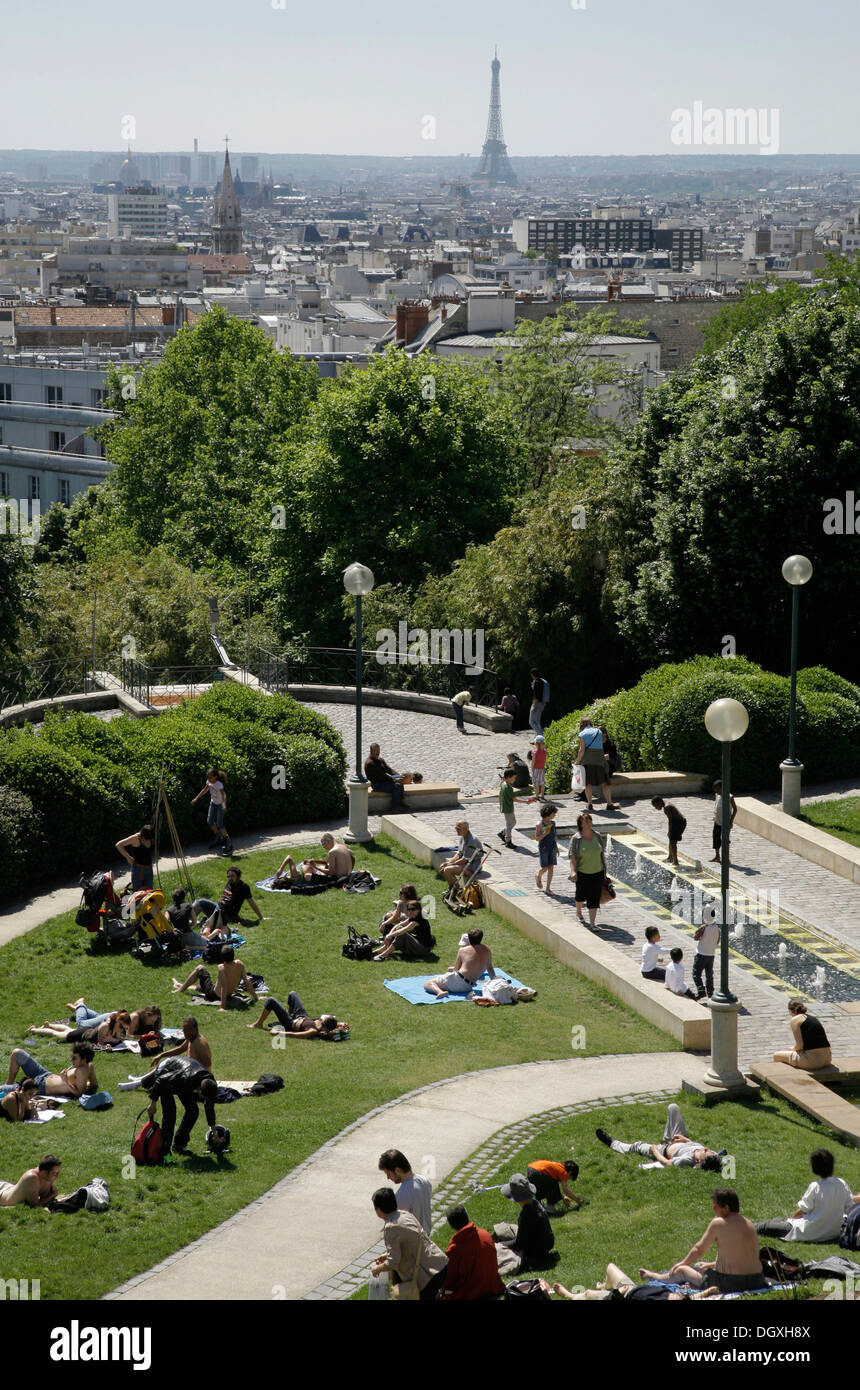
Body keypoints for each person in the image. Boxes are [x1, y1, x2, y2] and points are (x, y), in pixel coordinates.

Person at [640, 1188, 764, 1293]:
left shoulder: (719, 1223)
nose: (713, 1207)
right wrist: (711, 1265)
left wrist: (682, 1263)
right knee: (701, 1267)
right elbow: (737, 1253)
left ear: (726, 1208)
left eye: (715, 1204)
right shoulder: (749, 1223)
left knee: (681, 1270)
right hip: (757, 1280)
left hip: (731, 1283)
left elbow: (699, 1250)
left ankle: (653, 1276)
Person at [754, 1149, 854, 1242]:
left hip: (808, 1232)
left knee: (765, 1227)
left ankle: (743, 1228)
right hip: (832, 1232)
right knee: (777, 1220)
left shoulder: (816, 1187)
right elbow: (850, 1208)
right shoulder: (842, 1184)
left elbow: (802, 1211)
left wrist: (791, 1220)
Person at [596, 1102, 724, 1172]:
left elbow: (667, 1163)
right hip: (680, 1138)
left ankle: (613, 1143)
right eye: (707, 1150)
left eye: (705, 1152)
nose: (706, 1149)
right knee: (673, 1108)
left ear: (699, 1162)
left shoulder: (686, 1160)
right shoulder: (713, 1155)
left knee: (637, 1146)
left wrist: (656, 1152)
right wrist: (686, 1140)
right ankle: (667, 1138)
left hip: (663, 1150)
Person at [370, 1187, 448, 1300]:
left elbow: (393, 1262)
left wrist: (377, 1269)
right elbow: (410, 1244)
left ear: (378, 1209)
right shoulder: (404, 1214)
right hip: (438, 1264)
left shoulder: (391, 1227)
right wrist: (386, 1255)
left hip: (427, 1275)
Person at [140, 1055, 218, 1161]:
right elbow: (160, 1081)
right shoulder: (185, 1078)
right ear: (199, 1090)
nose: (205, 1101)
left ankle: (179, 1145)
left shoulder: (210, 1084)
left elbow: (209, 1108)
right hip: (165, 1071)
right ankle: (165, 1153)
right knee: (170, 1114)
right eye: (204, 1098)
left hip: (183, 1078)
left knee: (193, 1111)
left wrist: (214, 1133)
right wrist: (153, 1103)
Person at [492, 1172, 555, 1273]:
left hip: (534, 1255)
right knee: (504, 1231)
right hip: (544, 1246)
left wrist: (502, 1244)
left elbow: (519, 1244)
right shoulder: (536, 1204)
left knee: (497, 1248)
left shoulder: (526, 1215)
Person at [438, 1206, 504, 1301]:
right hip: (494, 1285)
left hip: (472, 1292)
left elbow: (449, 1280)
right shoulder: (485, 1234)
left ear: (451, 1225)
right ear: (467, 1217)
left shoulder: (455, 1248)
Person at [171, 946, 257, 1012]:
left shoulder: (222, 968)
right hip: (228, 994)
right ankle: (179, 985)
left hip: (213, 994)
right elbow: (246, 981)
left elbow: (224, 988)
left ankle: (181, 989)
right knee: (201, 987)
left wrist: (222, 1007)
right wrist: (255, 997)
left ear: (222, 958)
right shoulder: (239, 964)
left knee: (200, 968)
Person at [6, 1044, 99, 1099]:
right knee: (17, 1053)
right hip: (44, 1074)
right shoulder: (88, 1065)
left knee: (3, 1090)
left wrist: (66, 1082)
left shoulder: (82, 1071)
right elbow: (94, 1084)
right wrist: (84, 1083)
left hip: (40, 1086)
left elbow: (80, 1094)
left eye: (74, 1058)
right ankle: (8, 1084)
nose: (71, 1060)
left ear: (84, 1059)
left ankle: (7, 1089)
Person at [194, 867, 266, 936]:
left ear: (239, 876)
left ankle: (206, 923)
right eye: (228, 876)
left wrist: (261, 917)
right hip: (218, 907)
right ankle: (186, 920)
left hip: (226, 915)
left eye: (232, 876)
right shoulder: (229, 882)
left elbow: (251, 902)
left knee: (209, 927)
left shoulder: (244, 887)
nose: (230, 878)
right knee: (199, 902)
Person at [424, 926, 494, 997]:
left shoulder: (463, 950)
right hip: (468, 987)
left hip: (458, 982)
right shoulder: (487, 949)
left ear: (469, 938)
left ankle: (440, 992)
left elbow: (456, 969)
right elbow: (490, 968)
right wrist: (494, 982)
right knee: (446, 976)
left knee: (428, 983)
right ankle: (443, 986)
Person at [568, 812, 608, 929]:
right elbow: (572, 856)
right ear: (581, 823)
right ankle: (579, 912)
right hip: (582, 873)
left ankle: (592, 923)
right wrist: (573, 871)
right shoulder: (576, 839)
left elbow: (602, 853)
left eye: (590, 820)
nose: (589, 823)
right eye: (587, 821)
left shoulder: (597, 836)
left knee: (594, 897)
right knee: (581, 896)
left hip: (598, 872)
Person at [378, 1149, 433, 1234]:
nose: (388, 1178)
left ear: (397, 1170)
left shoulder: (402, 1194)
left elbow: (398, 1226)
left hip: (413, 1242)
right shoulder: (425, 1181)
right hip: (427, 1237)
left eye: (388, 1174)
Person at [247, 992, 347, 1038]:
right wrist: (341, 1024)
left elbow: (295, 1034)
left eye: (321, 1019)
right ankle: (287, 1014)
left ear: (323, 1024)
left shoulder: (312, 1031)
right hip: (302, 1016)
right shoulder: (322, 1024)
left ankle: (258, 1024)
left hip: (290, 1024)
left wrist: (278, 1033)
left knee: (271, 1001)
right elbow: (332, 1024)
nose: (320, 1019)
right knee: (292, 994)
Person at [773, 998, 832, 1070]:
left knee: (776, 1055)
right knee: (791, 1053)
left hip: (813, 1061)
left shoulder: (795, 1020)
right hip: (827, 1058)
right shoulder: (812, 1018)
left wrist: (793, 1049)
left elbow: (799, 1046)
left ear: (791, 1010)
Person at [272, 835, 354, 887]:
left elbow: (331, 871)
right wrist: (315, 866)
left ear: (329, 840)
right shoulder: (344, 847)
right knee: (313, 873)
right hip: (343, 875)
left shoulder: (332, 851)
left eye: (323, 844)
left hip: (336, 876)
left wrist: (315, 867)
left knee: (312, 874)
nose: (324, 847)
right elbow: (352, 859)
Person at [576, 719, 620, 811]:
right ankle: (609, 803)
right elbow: (601, 745)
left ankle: (590, 804)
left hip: (587, 761)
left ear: (582, 725)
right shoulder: (598, 732)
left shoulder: (582, 734)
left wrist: (578, 761)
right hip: (600, 761)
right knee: (605, 783)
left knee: (588, 784)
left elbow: (582, 749)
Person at [26, 1011, 131, 1048]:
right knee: (56, 1035)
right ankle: (33, 1030)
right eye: (122, 1027)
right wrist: (110, 1044)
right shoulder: (105, 1026)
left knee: (69, 1029)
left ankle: (49, 1025)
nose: (122, 1031)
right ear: (117, 1021)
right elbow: (100, 1045)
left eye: (124, 1029)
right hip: (82, 1035)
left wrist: (115, 1039)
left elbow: (116, 1039)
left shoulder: (116, 1028)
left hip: (87, 1030)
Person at [191, 767, 232, 855]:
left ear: (215, 777)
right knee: (209, 821)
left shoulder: (219, 784)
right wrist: (196, 798)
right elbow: (204, 790)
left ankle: (227, 841)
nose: (208, 779)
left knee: (220, 824)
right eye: (208, 778)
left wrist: (224, 805)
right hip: (213, 803)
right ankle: (219, 838)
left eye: (210, 778)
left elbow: (223, 795)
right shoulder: (209, 782)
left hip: (220, 804)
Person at [439, 821, 484, 888]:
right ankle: (452, 888)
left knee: (447, 870)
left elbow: (465, 859)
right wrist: (448, 862)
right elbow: (459, 854)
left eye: (458, 829)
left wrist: (450, 864)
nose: (457, 830)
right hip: (465, 864)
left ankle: (456, 890)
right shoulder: (463, 837)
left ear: (466, 829)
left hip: (472, 866)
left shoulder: (472, 841)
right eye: (456, 828)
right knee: (443, 866)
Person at [363, 744, 407, 810]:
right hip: (377, 785)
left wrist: (399, 775)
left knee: (400, 783)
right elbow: (382, 776)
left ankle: (400, 802)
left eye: (378, 750)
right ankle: (395, 807)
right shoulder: (370, 763)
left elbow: (389, 769)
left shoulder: (380, 759)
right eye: (375, 751)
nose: (377, 752)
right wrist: (395, 779)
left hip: (384, 782)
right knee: (397, 786)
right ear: (371, 751)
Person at [692, 906, 720, 1001]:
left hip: (701, 954)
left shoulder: (704, 927)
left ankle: (701, 990)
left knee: (696, 973)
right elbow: (717, 941)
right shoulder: (717, 928)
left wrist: (698, 933)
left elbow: (695, 937)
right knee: (709, 974)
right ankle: (710, 991)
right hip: (711, 955)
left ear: (704, 917)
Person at [116, 824, 154, 891]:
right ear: (142, 834)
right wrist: (128, 857)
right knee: (137, 894)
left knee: (149, 893)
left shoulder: (149, 836)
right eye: (145, 838)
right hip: (138, 870)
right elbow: (119, 845)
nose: (147, 840)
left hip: (149, 869)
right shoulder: (135, 838)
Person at [651, 797, 686, 867]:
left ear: (659, 802)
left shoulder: (667, 808)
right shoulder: (666, 805)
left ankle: (675, 862)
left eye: (656, 806)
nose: (656, 808)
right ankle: (670, 857)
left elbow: (671, 821)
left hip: (679, 823)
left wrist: (669, 831)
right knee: (671, 839)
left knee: (673, 842)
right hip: (678, 822)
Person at [710, 778, 737, 864]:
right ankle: (717, 856)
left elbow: (735, 809)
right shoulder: (717, 795)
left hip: (725, 823)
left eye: (717, 788)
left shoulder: (729, 797)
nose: (716, 790)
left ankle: (726, 858)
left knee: (725, 840)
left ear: (721, 788)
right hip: (717, 821)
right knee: (716, 838)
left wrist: (731, 821)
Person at [535, 802, 559, 895]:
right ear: (548, 814)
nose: (555, 815)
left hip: (552, 846)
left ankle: (548, 888)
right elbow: (537, 838)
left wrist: (556, 847)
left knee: (551, 867)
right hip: (544, 847)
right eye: (554, 813)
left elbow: (554, 836)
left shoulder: (553, 823)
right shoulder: (539, 824)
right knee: (544, 868)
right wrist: (545, 833)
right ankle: (538, 875)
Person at [498, 767, 517, 848]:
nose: (514, 780)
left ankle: (503, 833)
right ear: (509, 778)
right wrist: (526, 802)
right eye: (514, 778)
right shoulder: (508, 788)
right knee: (509, 825)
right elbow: (514, 799)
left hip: (507, 807)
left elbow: (499, 795)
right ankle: (508, 841)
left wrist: (500, 805)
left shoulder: (503, 784)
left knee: (513, 822)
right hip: (508, 808)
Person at [529, 668, 548, 740]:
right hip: (542, 703)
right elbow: (539, 693)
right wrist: (533, 688)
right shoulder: (542, 681)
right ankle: (537, 739)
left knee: (532, 722)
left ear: (532, 675)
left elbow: (537, 696)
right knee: (537, 722)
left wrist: (534, 706)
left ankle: (542, 735)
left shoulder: (536, 682)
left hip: (537, 703)